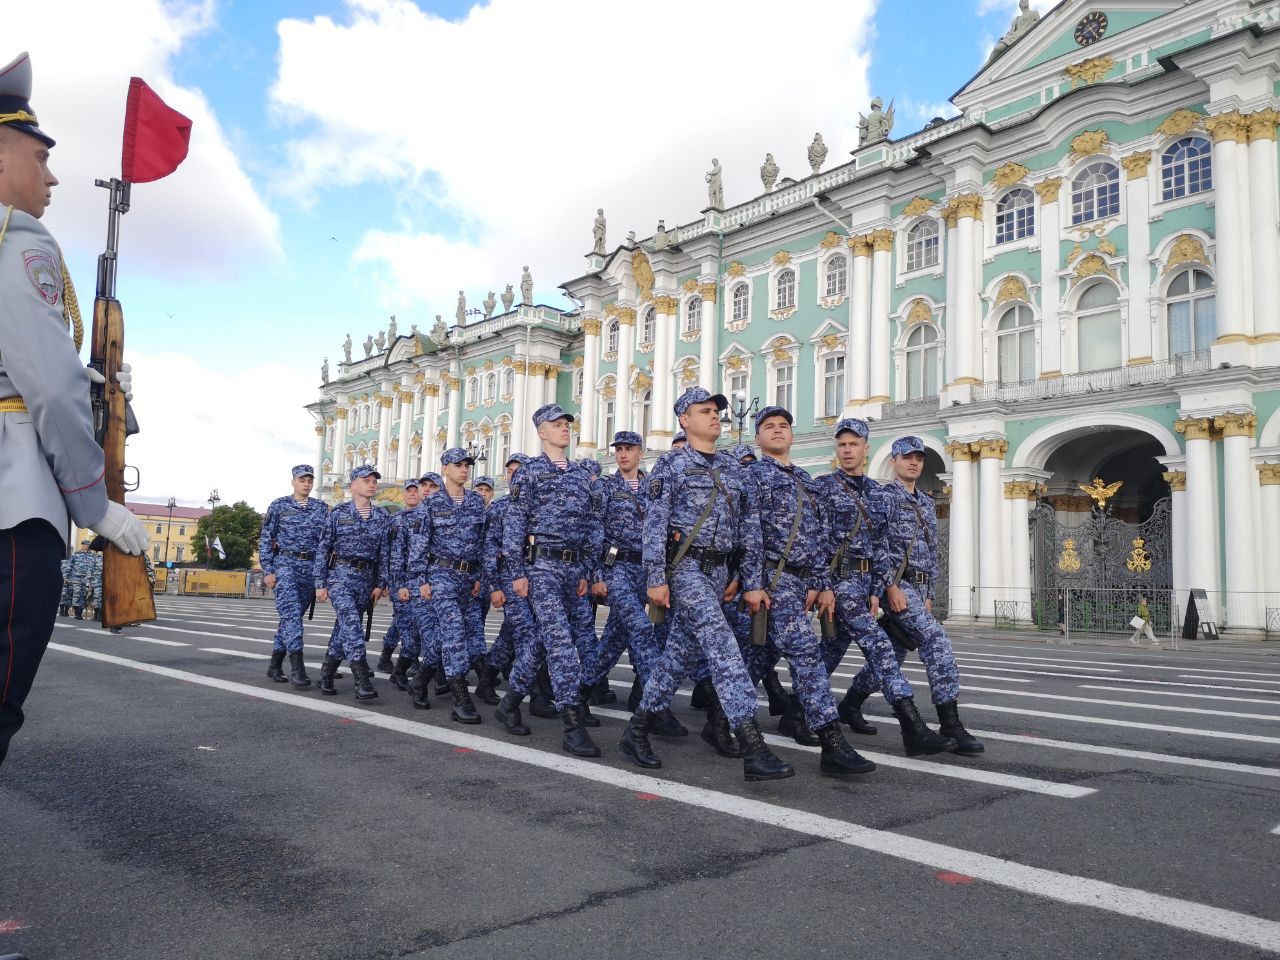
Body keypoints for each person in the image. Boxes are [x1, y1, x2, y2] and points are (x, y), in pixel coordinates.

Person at [0, 51, 148, 765]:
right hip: (13, 512)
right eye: (39, 156)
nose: (52, 176)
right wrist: (97, 507)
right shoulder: (15, 239)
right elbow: (48, 389)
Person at [618, 387, 792, 780]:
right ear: (684, 419)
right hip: (685, 571)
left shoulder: (733, 468)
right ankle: (753, 747)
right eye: (705, 410)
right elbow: (654, 526)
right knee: (723, 647)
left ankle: (637, 730)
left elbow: (749, 530)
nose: (715, 416)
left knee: (677, 657)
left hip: (718, 574)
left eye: (716, 410)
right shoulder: (671, 466)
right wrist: (655, 578)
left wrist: (747, 581)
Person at [745, 406, 874, 776]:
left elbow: (817, 538)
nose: (777, 430)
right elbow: (750, 535)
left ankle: (720, 723)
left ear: (792, 435)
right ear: (758, 438)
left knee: (758, 657)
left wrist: (823, 584)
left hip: (802, 583)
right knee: (806, 658)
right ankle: (833, 744)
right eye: (768, 426)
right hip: (772, 580)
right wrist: (754, 584)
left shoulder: (805, 479)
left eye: (783, 425)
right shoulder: (751, 476)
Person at [813, 419, 953, 756]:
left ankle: (797, 710)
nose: (847, 450)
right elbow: (816, 541)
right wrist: (823, 586)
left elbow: (879, 546)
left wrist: (879, 587)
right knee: (881, 649)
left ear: (866, 449)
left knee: (829, 653)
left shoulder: (876, 493)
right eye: (842, 444)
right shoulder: (824, 487)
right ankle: (912, 727)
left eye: (854, 444)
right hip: (840, 582)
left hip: (864, 586)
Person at [495, 403, 604, 757]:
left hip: (573, 570)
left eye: (566, 424)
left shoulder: (579, 475)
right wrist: (515, 574)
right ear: (541, 431)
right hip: (540, 567)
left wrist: (587, 571)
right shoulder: (529, 473)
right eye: (556, 424)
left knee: (543, 639)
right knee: (560, 643)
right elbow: (515, 524)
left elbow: (590, 526)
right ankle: (572, 724)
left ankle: (510, 701)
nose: (564, 429)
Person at [861, 437, 983, 754]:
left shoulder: (926, 502)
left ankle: (850, 703)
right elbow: (877, 545)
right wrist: (888, 587)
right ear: (895, 461)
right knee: (936, 640)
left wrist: (928, 593)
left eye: (919, 458)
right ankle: (950, 722)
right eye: (907, 457)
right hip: (896, 586)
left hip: (919, 588)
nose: (913, 462)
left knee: (893, 654)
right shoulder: (883, 496)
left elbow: (931, 552)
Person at [579, 431, 685, 738]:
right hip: (617, 569)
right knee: (640, 628)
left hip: (647, 570)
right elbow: (595, 532)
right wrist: (597, 575)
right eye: (619, 449)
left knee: (613, 640)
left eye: (629, 449)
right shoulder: (605, 487)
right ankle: (657, 707)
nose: (623, 454)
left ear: (640, 452)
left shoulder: (654, 486)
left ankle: (580, 693)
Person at [399, 448, 489, 723]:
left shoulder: (476, 502)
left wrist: (481, 577)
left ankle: (420, 680)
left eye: (467, 465)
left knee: (442, 640)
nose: (464, 469)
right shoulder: (431, 504)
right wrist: (420, 580)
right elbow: (418, 547)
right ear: (445, 470)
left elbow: (483, 543)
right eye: (457, 465)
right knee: (454, 633)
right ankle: (461, 698)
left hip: (467, 579)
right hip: (440, 575)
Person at [313, 465, 390, 701]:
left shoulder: (382, 516)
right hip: (340, 576)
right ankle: (361, 680)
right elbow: (323, 549)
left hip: (366, 579)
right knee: (352, 625)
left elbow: (384, 554)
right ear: (353, 484)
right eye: (366, 480)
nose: (372, 484)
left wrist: (381, 583)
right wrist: (320, 582)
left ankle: (326, 674)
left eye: (374, 481)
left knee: (343, 628)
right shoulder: (338, 513)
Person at [259, 464, 329, 688]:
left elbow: (327, 542)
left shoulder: (321, 508)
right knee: (291, 617)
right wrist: (268, 570)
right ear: (293, 482)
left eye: (309, 480)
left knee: (292, 618)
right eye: (302, 480)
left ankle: (274, 665)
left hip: (310, 567)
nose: (306, 484)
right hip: (285, 565)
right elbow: (266, 539)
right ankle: (298, 668)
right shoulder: (279, 505)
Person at [378, 477, 425, 690]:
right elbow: (389, 553)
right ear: (403, 495)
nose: (413, 494)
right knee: (407, 625)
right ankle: (403, 665)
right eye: (409, 491)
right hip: (402, 581)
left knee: (404, 624)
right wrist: (389, 581)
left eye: (416, 491)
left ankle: (394, 660)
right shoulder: (395, 520)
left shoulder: (426, 517)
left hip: (420, 580)